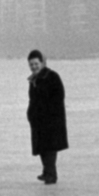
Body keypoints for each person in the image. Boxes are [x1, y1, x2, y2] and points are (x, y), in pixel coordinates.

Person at [26, 50, 68, 184]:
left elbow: (59, 96)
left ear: (42, 62)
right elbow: (33, 100)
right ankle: (47, 172)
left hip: (51, 120)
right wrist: (30, 114)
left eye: (36, 63)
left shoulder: (52, 76)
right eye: (31, 64)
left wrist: (48, 112)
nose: (34, 67)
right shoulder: (34, 79)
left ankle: (51, 175)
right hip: (39, 120)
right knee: (42, 147)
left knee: (50, 148)